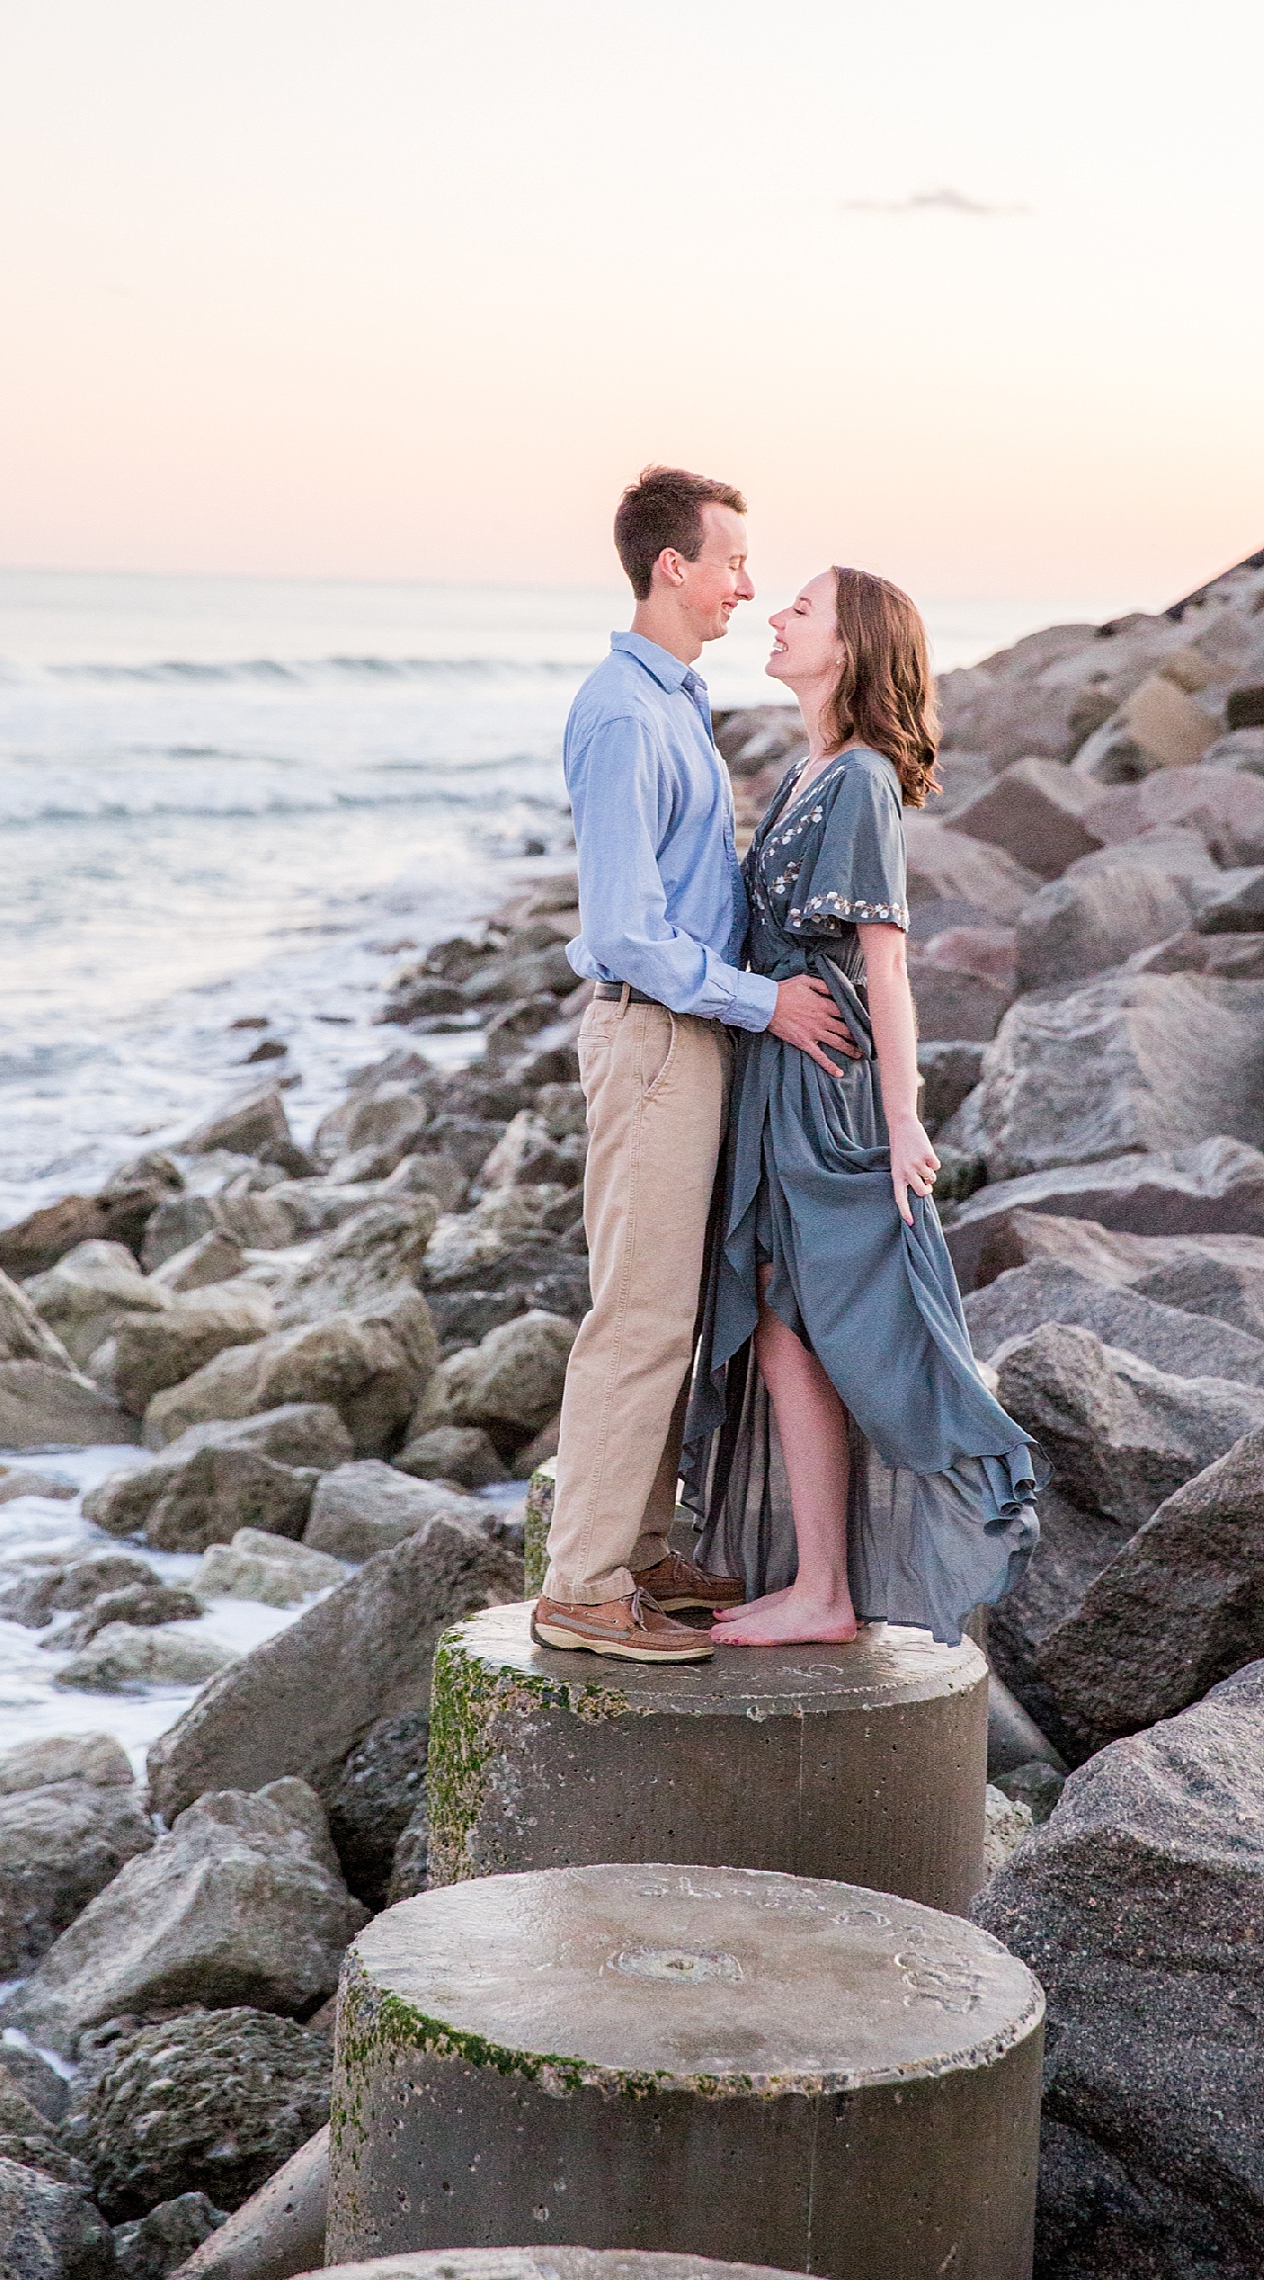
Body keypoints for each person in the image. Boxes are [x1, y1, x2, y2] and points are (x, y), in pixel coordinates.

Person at [533, 467, 860, 1664]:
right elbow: (625, 928)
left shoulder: (677, 701)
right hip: (658, 1033)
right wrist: (760, 1000)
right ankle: (581, 1583)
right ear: (672, 565)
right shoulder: (625, 712)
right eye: (730, 560)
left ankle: (636, 1546)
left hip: (693, 1037)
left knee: (675, 1307)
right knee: (639, 1312)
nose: (747, 584)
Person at [687, 564, 1042, 1649]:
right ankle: (821, 1585)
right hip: (781, 1069)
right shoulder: (815, 767)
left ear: (847, 647)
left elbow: (887, 968)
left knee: (845, 1314)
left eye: (803, 606)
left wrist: (905, 1121)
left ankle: (839, 1582)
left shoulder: (859, 782)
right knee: (784, 1312)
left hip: (828, 1087)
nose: (779, 615)